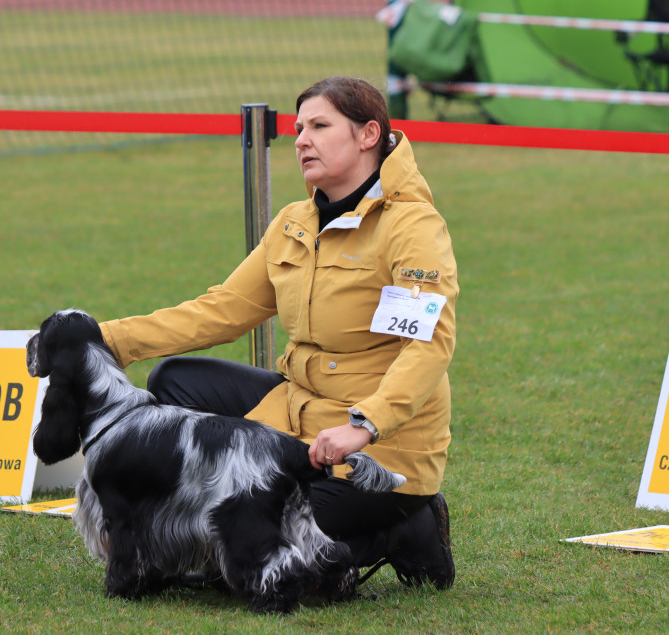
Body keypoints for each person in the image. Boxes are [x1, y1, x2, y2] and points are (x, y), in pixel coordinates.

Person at [97, 76, 457, 589]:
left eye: (319, 126)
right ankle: (194, 521)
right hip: (295, 414)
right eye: (296, 129)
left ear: (368, 134)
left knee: (269, 548)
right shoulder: (294, 221)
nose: (301, 140)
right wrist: (108, 339)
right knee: (173, 380)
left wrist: (365, 425)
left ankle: (405, 527)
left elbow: (427, 347)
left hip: (380, 448)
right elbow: (222, 310)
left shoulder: (412, 227)